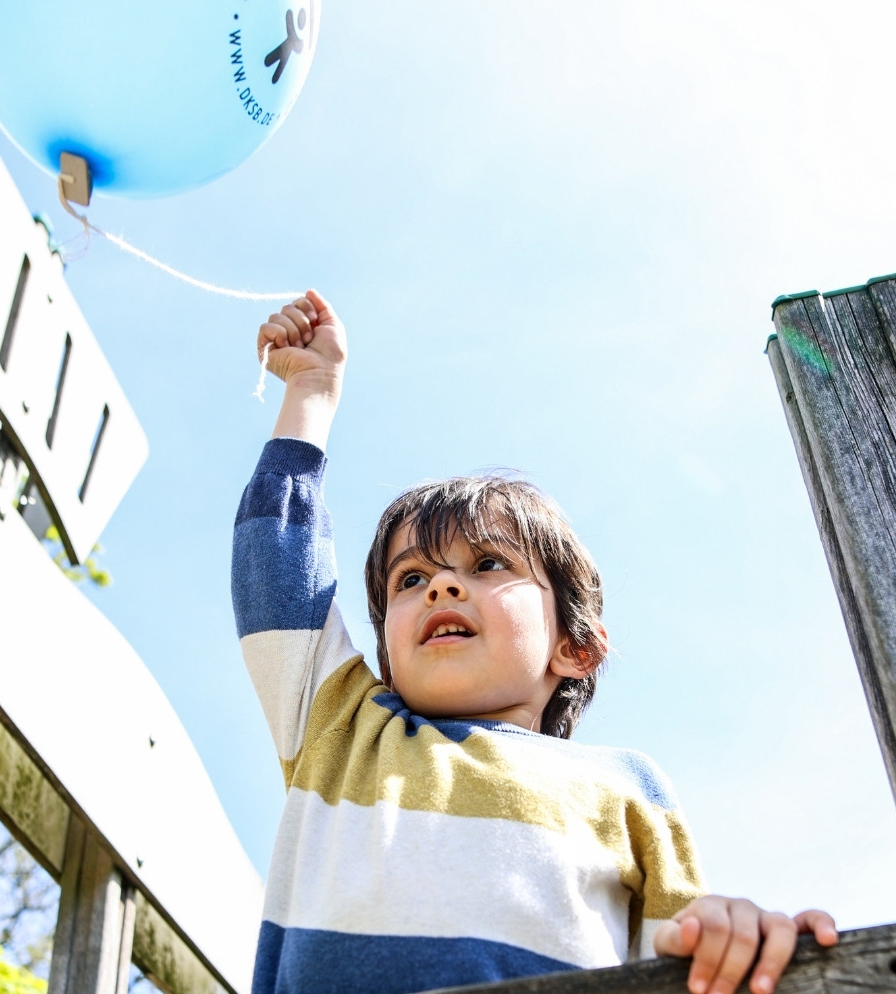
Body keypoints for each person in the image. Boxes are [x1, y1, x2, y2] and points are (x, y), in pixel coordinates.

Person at [231, 291, 838, 994]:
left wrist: (734, 932)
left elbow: (683, 957)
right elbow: (276, 562)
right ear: (387, 654)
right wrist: (310, 390)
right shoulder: (341, 728)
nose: (441, 587)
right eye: (410, 578)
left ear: (574, 649)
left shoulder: (626, 788)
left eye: (488, 565)